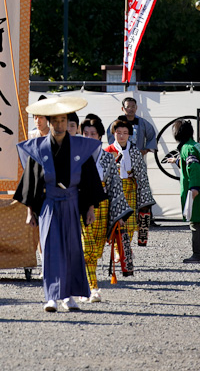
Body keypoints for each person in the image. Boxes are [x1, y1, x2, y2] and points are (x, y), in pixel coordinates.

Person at [14, 96, 105, 313]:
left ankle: (70, 297)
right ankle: (52, 297)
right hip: (49, 203)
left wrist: (90, 208)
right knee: (51, 250)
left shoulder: (81, 147)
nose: (59, 124)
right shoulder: (39, 148)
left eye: (63, 120)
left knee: (73, 250)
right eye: (55, 120)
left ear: (68, 122)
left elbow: (90, 179)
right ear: (48, 122)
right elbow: (31, 181)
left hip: (73, 203)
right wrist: (30, 211)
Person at [80, 116, 133, 302]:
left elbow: (115, 187)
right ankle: (92, 287)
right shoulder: (76, 156)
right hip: (82, 205)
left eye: (92, 134)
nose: (88, 136)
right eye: (85, 133)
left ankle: (86, 284)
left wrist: (119, 214)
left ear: (100, 136)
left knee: (96, 250)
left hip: (103, 206)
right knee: (87, 247)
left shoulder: (107, 158)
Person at [104, 118, 155, 244]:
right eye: (118, 132)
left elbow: (142, 174)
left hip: (130, 187)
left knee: (130, 221)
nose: (121, 135)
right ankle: (118, 248)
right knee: (116, 219)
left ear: (129, 134)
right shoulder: (107, 151)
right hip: (114, 190)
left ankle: (126, 247)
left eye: (125, 133)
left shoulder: (135, 152)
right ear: (113, 133)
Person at [168, 120, 200, 263]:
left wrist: (194, 188)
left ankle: (197, 254)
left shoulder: (187, 148)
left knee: (195, 223)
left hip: (196, 192)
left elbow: (193, 167)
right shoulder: (195, 145)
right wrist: (175, 161)